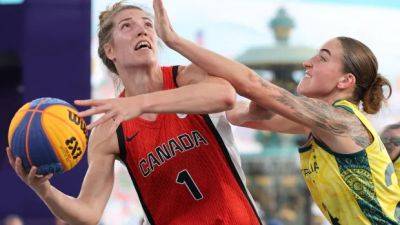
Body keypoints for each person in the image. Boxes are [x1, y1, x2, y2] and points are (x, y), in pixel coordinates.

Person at [131, 1, 398, 224]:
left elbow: (254, 84)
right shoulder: (318, 126)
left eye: (323, 58)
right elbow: (238, 114)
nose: (308, 62)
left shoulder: (340, 121)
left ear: (345, 81)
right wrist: (171, 84)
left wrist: (174, 40)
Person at [6, 1, 262, 225]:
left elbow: (226, 96)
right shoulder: (109, 128)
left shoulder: (186, 77)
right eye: (127, 26)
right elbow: (88, 213)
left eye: (148, 24)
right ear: (110, 50)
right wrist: (44, 190)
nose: (142, 29)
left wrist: (140, 103)